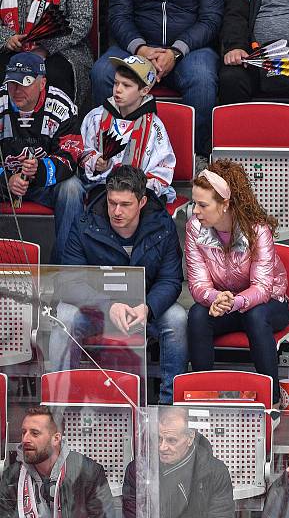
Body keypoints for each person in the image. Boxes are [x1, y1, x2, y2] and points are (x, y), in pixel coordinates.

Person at [50, 165, 187, 404]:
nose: (117, 211)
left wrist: (148, 307)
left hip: (143, 309)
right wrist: (107, 306)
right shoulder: (85, 224)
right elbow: (69, 281)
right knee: (65, 316)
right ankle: (60, 404)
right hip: (97, 308)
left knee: (176, 318)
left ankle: (170, 407)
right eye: (112, 203)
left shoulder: (162, 226)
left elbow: (171, 279)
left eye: (125, 205)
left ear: (142, 201)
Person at [185, 160, 289, 404]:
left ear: (225, 205)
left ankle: (270, 401)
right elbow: (198, 282)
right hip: (223, 301)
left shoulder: (258, 230)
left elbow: (262, 288)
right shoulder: (194, 228)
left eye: (202, 205)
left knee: (255, 315)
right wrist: (215, 299)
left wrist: (234, 302)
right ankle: (203, 397)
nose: (195, 211)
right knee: (197, 315)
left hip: (269, 303)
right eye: (193, 203)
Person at [90, 0, 222, 159]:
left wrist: (176, 51)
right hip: (137, 46)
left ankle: (197, 156)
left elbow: (210, 19)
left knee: (202, 79)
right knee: (102, 73)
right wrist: (141, 49)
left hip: (189, 48)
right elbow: (119, 16)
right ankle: (107, 155)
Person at [0, 51, 84, 264]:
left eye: (24, 83)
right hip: (5, 183)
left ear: (42, 83)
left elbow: (71, 156)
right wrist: (6, 180)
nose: (16, 90)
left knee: (72, 188)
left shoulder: (62, 106)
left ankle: (65, 272)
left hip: (45, 184)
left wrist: (40, 169)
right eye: (12, 83)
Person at [79, 55, 176, 202]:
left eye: (126, 85)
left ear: (144, 90)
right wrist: (96, 162)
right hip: (103, 188)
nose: (118, 90)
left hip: (140, 193)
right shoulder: (96, 117)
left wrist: (137, 189)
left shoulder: (155, 127)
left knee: (151, 211)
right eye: (116, 83)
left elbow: (163, 168)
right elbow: (80, 152)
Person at [0, 406, 116, 518]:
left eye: (34, 433)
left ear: (56, 439)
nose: (25, 439)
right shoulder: (12, 476)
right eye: (24, 432)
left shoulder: (88, 472)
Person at [122, 407, 235, 518]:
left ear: (190, 438)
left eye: (171, 440)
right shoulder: (138, 470)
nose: (162, 447)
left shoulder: (214, 472)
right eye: (159, 439)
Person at [0, 0, 93, 107]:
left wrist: (46, 47)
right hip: (11, 48)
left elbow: (81, 21)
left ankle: (57, 123)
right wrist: (7, 38)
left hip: (62, 50)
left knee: (53, 74)